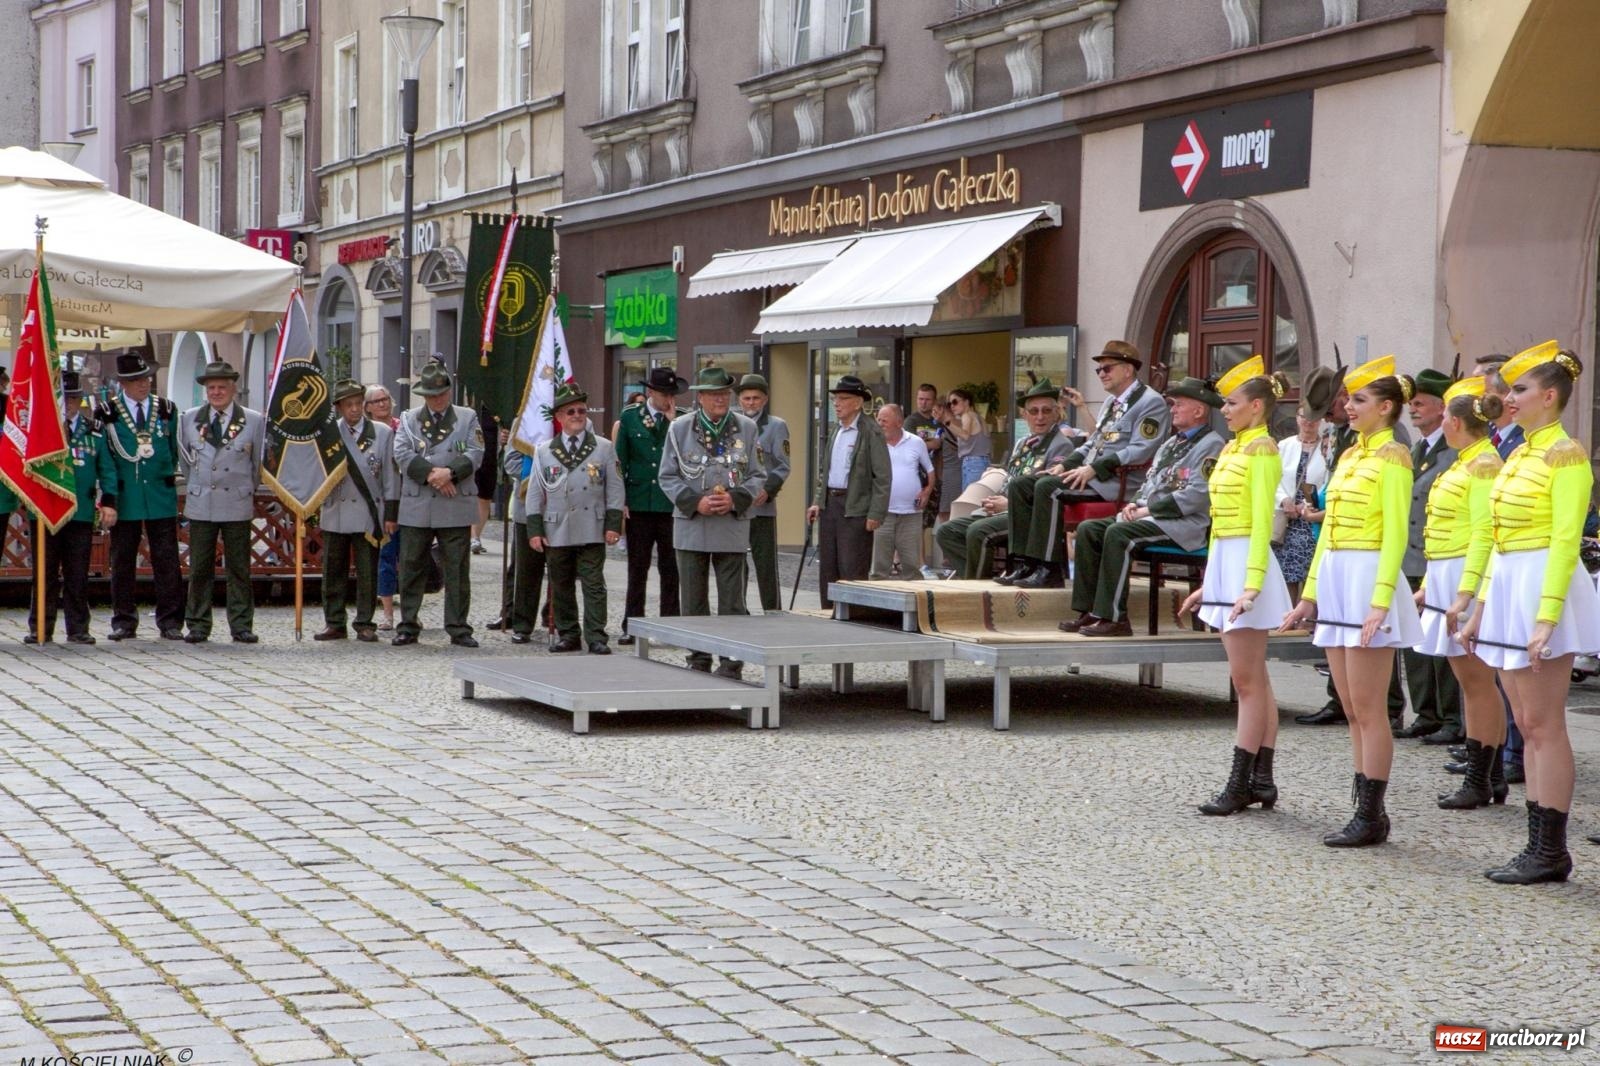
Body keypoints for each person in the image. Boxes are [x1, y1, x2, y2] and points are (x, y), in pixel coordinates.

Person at [1458, 342, 1598, 883]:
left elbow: (1565, 541)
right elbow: (1497, 539)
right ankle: (1538, 844)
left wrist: (1547, 617)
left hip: (1543, 586)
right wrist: (1480, 610)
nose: (1506, 398)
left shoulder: (1567, 454)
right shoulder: (1519, 454)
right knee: (1525, 720)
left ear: (1549, 396)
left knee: (1544, 724)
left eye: (1517, 390)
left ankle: (1551, 849)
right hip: (1513, 587)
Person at [1282, 355, 1422, 848]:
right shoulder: (1348, 455)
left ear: (1386, 408)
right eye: (1349, 398)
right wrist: (1311, 595)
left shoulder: (1393, 457)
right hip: (1340, 578)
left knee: (1369, 706)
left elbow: (1395, 537)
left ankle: (1372, 814)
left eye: (1359, 400)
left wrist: (1381, 601)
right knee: (1349, 704)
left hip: (1367, 579)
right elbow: (1328, 533)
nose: (1348, 406)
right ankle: (1362, 808)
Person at [1180, 359, 1295, 815]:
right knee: (1255, 679)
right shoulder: (1233, 448)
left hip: (1249, 563)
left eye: (1231, 402)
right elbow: (1219, 525)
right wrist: (1209, 582)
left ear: (1257, 406)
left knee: (1246, 682)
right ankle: (1261, 779)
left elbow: (1261, 522)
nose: (1223, 409)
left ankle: (1240, 782)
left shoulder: (1263, 449)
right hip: (1229, 562)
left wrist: (1249, 587)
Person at [1063, 375, 1224, 638]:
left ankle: (1115, 619)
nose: (1171, 410)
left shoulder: (1212, 444)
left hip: (1182, 526)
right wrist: (1133, 504)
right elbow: (1150, 482)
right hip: (1148, 517)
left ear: (1199, 410)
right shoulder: (1172, 443)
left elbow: (1198, 495)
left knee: (1117, 535)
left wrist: (1148, 510)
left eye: (1178, 405)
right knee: (1089, 530)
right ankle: (1089, 611)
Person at [1002, 340, 1170, 590]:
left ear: (1128, 369)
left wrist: (1094, 468)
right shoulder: (1110, 403)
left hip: (1117, 481)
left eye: (1107, 368)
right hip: (1092, 475)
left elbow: (1141, 449)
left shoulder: (1150, 402)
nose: (1101, 374)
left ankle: (1049, 569)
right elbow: (1092, 443)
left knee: (1048, 488)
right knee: (1020, 485)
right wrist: (1066, 464)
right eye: (1099, 370)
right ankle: (1025, 563)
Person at [1420, 375, 1508, 810]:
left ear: (1454, 422)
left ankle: (1481, 778)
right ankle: (1489, 775)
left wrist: (1465, 592)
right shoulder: (1465, 461)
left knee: (1476, 682)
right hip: (1446, 572)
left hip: (1463, 575)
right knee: (1471, 681)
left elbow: (1482, 533)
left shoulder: (1483, 464)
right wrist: (1426, 587)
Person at [657, 365, 766, 678]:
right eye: (714, 394)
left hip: (731, 524)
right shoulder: (680, 428)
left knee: (733, 600)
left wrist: (735, 498)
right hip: (692, 523)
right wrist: (696, 502)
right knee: (693, 599)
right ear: (701, 397)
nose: (721, 399)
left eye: (724, 393)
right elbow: (666, 475)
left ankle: (732, 661)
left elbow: (758, 473)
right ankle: (698, 658)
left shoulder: (746, 427)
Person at [933, 380, 1075, 580]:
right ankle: (981, 578)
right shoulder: (1022, 443)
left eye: (1046, 411)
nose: (1040, 417)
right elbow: (1012, 478)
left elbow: (1049, 493)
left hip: (1030, 516)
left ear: (1056, 413)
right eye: (1033, 412)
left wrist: (1008, 504)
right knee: (947, 531)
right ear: (1024, 415)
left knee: (977, 531)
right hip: (1003, 509)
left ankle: (979, 589)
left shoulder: (1062, 446)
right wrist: (994, 500)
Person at [526, 381, 623, 654]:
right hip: (557, 526)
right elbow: (535, 491)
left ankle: (596, 636)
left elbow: (615, 488)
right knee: (561, 584)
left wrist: (614, 524)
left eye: (581, 410)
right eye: (571, 412)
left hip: (593, 524)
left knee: (594, 584)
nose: (578, 416)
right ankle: (568, 634)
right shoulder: (544, 450)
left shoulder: (603, 447)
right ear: (559, 417)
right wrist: (534, 529)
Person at [392, 358, 484, 648]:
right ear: (424, 396)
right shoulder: (408, 419)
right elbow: (402, 453)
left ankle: (458, 627)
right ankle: (408, 625)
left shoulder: (467, 417)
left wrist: (451, 474)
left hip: (454, 502)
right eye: (432, 395)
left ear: (449, 391)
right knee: (411, 566)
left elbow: (476, 451)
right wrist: (433, 474)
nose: (438, 399)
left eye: (442, 393)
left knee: (457, 568)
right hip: (418, 503)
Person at [178, 359, 266, 644]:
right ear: (205, 390)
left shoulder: (253, 420)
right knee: (200, 567)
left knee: (239, 568)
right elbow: (186, 462)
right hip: (202, 502)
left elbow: (257, 466)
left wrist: (243, 489)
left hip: (236, 501)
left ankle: (241, 624)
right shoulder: (189, 418)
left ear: (233, 388)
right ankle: (198, 624)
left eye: (222, 387)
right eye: (212, 387)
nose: (216, 392)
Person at [24, 372, 117, 645]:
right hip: (45, 511)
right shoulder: (39, 431)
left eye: (74, 399)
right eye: (64, 400)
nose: (69, 405)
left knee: (78, 572)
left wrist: (109, 503)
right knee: (44, 571)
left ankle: (78, 628)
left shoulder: (94, 430)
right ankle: (40, 626)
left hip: (80, 511)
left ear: (80, 401)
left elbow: (107, 470)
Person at [98, 350, 184, 641]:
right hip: (126, 496)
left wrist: (164, 474)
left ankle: (170, 621)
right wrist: (109, 498)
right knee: (122, 560)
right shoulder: (107, 412)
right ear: (123, 383)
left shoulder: (167, 409)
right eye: (136, 380)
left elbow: (172, 450)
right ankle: (123, 620)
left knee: (167, 559)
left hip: (159, 495)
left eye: (146, 377)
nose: (144, 384)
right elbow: (106, 456)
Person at [1398, 369, 1464, 744]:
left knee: (1444, 641)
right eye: (1412, 403)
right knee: (1417, 643)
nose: (1413, 409)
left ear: (1442, 408)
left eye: (1420, 403)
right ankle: (1426, 712)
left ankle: (1453, 718)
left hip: (1437, 558)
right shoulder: (1416, 449)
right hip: (1410, 558)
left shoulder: (1453, 451)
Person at [315, 379, 398, 643]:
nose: (354, 409)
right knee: (333, 570)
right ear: (339, 407)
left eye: (358, 404)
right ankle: (334, 621)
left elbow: (390, 476)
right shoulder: (328, 432)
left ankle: (365, 622)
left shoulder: (382, 433)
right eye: (348, 405)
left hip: (368, 509)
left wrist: (391, 513)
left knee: (367, 570)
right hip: (336, 506)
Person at [614, 366, 686, 645]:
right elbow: (621, 461)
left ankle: (670, 625)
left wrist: (671, 421)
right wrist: (621, 500)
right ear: (650, 392)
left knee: (671, 568)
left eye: (671, 393)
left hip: (670, 504)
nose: (668, 398)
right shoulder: (630, 417)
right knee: (637, 567)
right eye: (663, 393)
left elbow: (685, 458)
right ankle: (632, 625)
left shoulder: (680, 421)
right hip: (640, 503)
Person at [807, 375, 890, 610]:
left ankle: (854, 614)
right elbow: (825, 471)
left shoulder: (871, 431)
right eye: (835, 398)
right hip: (831, 503)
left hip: (855, 507)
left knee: (852, 564)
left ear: (858, 402)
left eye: (843, 398)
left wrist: (876, 513)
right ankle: (828, 610)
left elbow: (883, 477)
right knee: (829, 564)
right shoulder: (837, 431)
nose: (837, 403)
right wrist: (817, 501)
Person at [737, 373, 790, 611]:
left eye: (756, 398)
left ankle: (772, 610)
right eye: (746, 398)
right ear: (739, 400)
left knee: (766, 564)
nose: (751, 403)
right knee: (736, 561)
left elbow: (783, 465)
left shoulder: (776, 426)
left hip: (762, 506)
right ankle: (738, 608)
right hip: (736, 504)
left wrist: (768, 491)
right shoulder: (730, 422)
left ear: (765, 399)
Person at [1273, 389, 1332, 601]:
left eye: (1313, 418)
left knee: (1310, 569)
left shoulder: (1327, 447)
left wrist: (1307, 505)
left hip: (1312, 516)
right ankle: (1287, 614)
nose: (1308, 422)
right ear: (1297, 419)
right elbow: (1275, 478)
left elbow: (1328, 479)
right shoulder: (1284, 446)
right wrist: (1284, 500)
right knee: (1287, 570)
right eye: (1303, 417)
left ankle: (1308, 616)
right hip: (1287, 518)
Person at [870, 404, 934, 579]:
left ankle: (913, 605)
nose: (880, 423)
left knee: (911, 567)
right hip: (883, 513)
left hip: (911, 513)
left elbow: (930, 471)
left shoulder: (916, 442)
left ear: (899, 422)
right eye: (878, 419)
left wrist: (927, 492)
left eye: (884, 420)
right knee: (879, 567)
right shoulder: (874, 443)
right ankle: (876, 605)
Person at [498, 429, 547, 644]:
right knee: (526, 570)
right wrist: (543, 479)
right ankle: (523, 624)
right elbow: (511, 462)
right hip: (527, 504)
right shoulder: (525, 422)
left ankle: (562, 623)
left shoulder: (581, 421)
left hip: (565, 508)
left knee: (564, 570)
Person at [364, 385, 403, 630]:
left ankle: (410, 610)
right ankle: (387, 613)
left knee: (409, 558)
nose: (382, 404)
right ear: (368, 407)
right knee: (386, 557)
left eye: (385, 399)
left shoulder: (403, 426)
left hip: (407, 499)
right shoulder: (368, 433)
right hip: (381, 501)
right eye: (376, 401)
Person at [942, 389, 990, 490]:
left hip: (973, 462)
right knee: (977, 498)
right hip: (983, 461)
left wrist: (947, 422)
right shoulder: (978, 417)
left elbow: (965, 435)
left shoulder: (967, 415)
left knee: (969, 499)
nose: (952, 406)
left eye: (955, 402)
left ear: (966, 402)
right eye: (949, 404)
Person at [470, 403, 501, 555]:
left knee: (485, 495)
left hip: (491, 455)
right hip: (471, 454)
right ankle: (473, 536)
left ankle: (477, 535)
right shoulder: (471, 405)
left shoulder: (497, 405)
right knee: (471, 493)